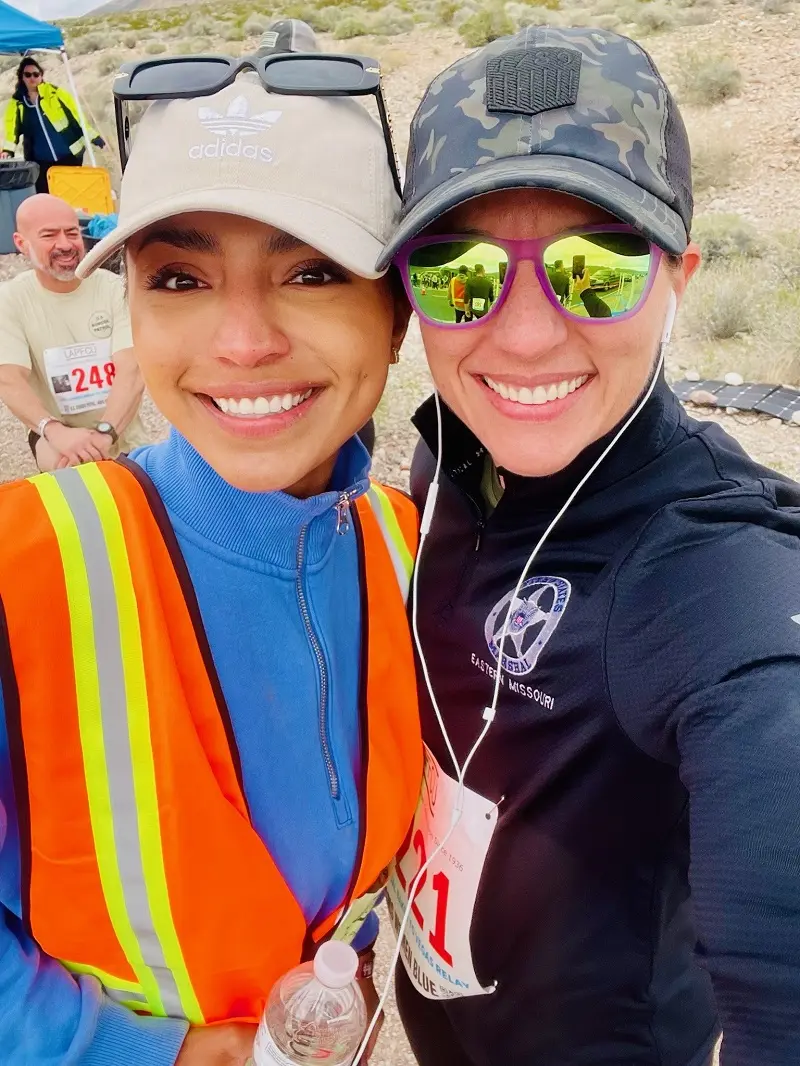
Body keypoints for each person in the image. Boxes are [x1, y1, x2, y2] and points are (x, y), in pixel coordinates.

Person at [380, 25, 800, 1066]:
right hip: (444, 1019)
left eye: (595, 268)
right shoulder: (449, 465)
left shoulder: (712, 573)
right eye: (460, 273)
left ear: (679, 278)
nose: (522, 333)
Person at [0, 65, 421, 1065]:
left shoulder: (411, 549)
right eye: (181, 279)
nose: (242, 342)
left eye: (312, 269)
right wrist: (137, 1049)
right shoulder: (23, 566)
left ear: (398, 314)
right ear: (133, 314)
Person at [0, 193, 147, 470]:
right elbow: (10, 380)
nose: (65, 245)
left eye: (71, 232)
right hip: (56, 436)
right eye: (49, 236)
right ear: (21, 243)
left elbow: (132, 370)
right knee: (72, 488)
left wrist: (107, 434)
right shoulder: (11, 300)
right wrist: (56, 432)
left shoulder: (116, 289)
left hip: (121, 431)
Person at [2, 57, 105, 193]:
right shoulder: (17, 103)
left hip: (69, 155)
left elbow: (78, 117)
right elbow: (11, 130)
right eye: (27, 75)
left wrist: (94, 136)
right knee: (46, 198)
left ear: (41, 76)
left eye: (36, 74)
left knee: (70, 194)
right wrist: (8, 151)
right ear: (22, 78)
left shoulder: (56, 94)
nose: (32, 78)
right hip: (40, 162)